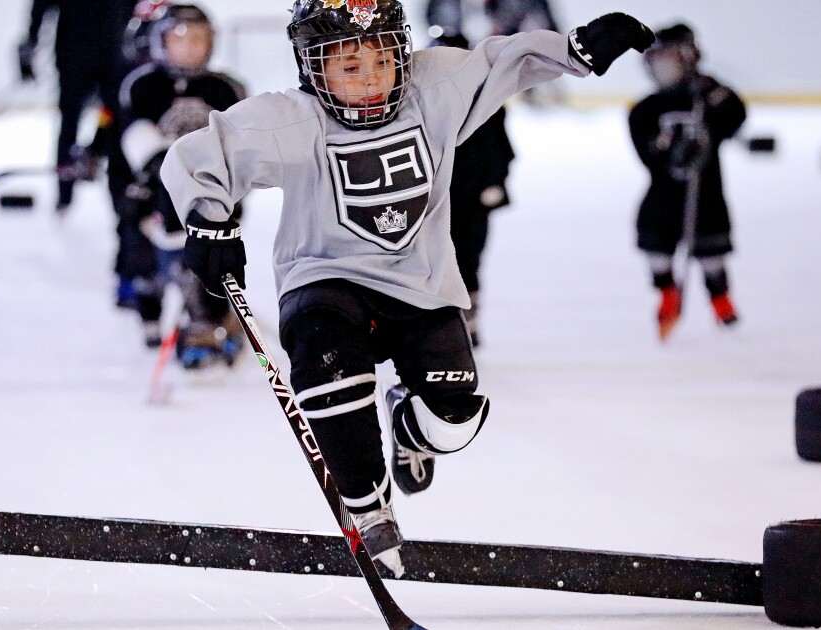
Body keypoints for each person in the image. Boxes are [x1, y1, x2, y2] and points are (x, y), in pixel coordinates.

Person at [161, 0, 652, 575]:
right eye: (347, 66)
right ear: (312, 69)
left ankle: (410, 429)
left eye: (382, 60)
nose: (369, 79)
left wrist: (572, 51)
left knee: (455, 423)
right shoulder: (292, 119)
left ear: (404, 52)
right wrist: (206, 218)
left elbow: (505, 62)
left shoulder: (436, 87)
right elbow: (201, 154)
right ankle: (369, 508)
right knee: (330, 375)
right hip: (324, 278)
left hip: (421, 287)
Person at [118, 4, 248, 361]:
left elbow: (243, 146)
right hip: (154, 198)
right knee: (145, 259)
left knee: (209, 265)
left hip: (212, 198)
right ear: (160, 43)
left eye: (198, 39)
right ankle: (150, 312)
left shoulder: (227, 89)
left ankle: (210, 323)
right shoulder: (143, 85)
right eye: (180, 39)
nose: (190, 47)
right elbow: (129, 137)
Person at [628, 23, 746, 341]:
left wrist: (716, 98)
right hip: (663, 197)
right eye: (654, 60)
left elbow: (735, 119)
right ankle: (668, 294)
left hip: (706, 194)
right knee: (656, 245)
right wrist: (668, 152)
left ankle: (721, 301)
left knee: (711, 252)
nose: (658, 67)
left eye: (665, 58)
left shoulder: (708, 96)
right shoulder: (646, 109)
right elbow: (646, 151)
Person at [432, 33, 516, 347]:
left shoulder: (487, 102)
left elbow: (502, 150)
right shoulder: (419, 102)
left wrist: (496, 182)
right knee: (431, 261)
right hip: (433, 200)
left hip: (470, 199)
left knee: (467, 259)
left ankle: (467, 322)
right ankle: (436, 323)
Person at [19, 0, 138, 213]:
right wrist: (30, 43)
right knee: (70, 124)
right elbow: (41, 7)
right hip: (74, 56)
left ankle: (100, 161)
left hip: (110, 55)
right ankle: (65, 195)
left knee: (112, 122)